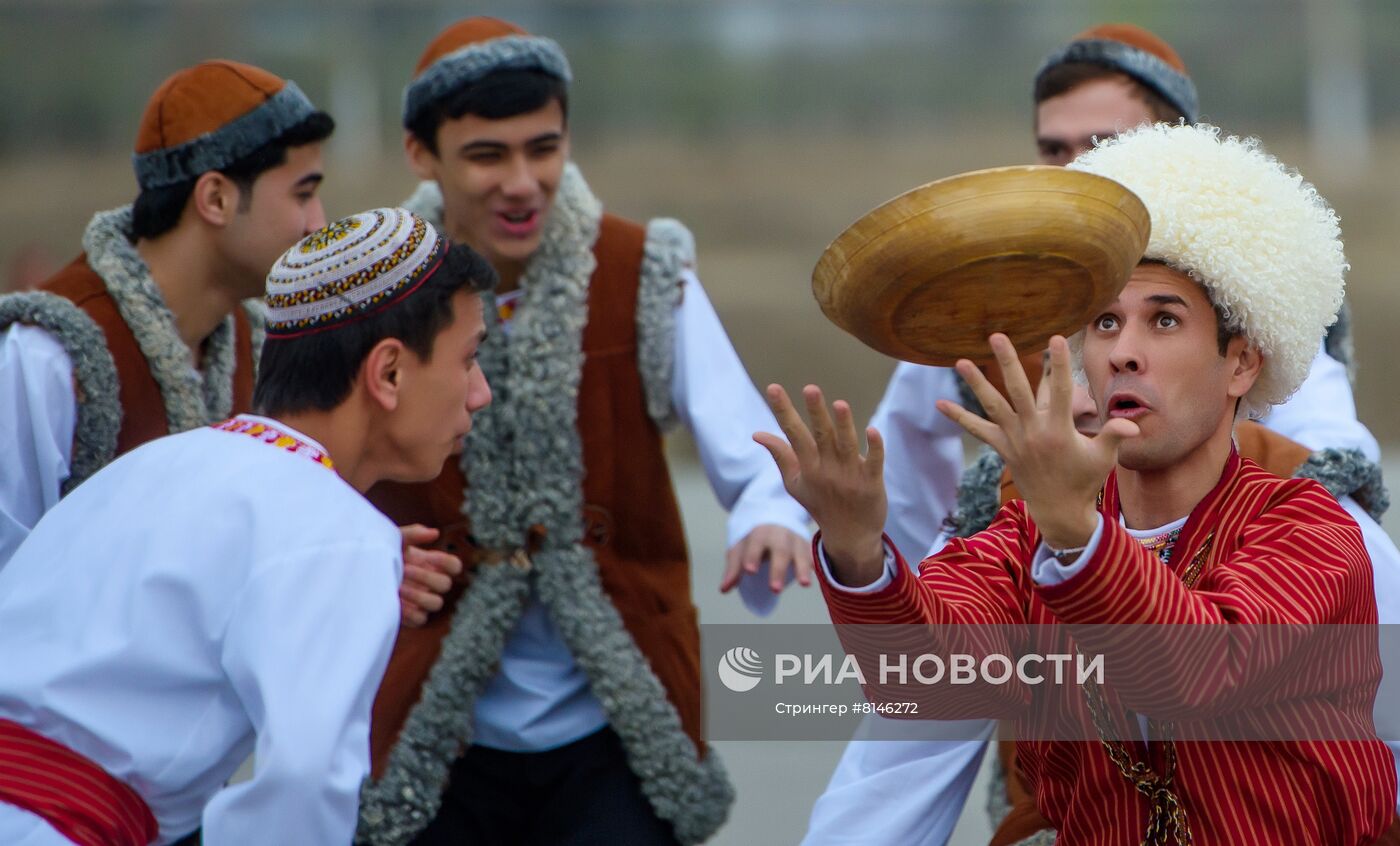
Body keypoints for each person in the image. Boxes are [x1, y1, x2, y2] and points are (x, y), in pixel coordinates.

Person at [804, 24, 1385, 845]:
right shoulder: (1021, 537)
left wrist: (1076, 530)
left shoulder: (1312, 531)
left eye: (1165, 319)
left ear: (1243, 363)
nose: (1124, 350)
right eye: (1104, 320)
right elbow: (927, 687)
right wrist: (859, 554)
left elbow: (1196, 671)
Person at [356, 17, 810, 846]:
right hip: (431, 722)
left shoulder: (642, 270)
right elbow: (300, 474)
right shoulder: (370, 288)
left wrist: (770, 517)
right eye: (488, 155)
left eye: (544, 148)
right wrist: (364, 558)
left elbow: (754, 453)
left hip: (617, 725)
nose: (523, 182)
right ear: (421, 153)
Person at [0, 208, 496, 844]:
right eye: (469, 359)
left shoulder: (156, 465)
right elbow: (302, 791)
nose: (479, 392)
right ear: (389, 373)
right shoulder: (339, 532)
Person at [0, 60, 333, 567]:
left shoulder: (262, 349)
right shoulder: (45, 357)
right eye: (303, 194)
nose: (319, 224)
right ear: (216, 198)